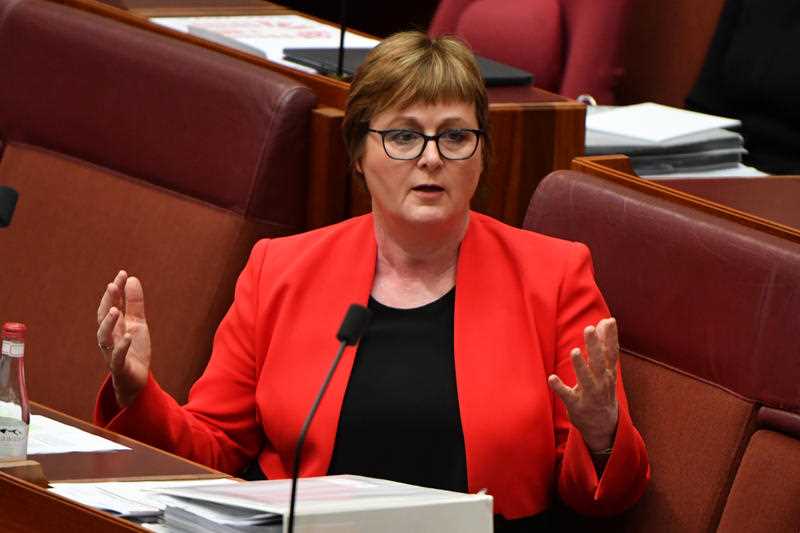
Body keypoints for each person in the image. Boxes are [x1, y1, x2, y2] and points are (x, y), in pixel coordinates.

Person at [94, 31, 649, 529]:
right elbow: (213, 452)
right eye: (404, 137)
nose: (431, 158)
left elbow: (600, 498)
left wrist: (600, 435)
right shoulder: (279, 270)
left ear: (482, 155)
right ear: (358, 153)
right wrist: (138, 391)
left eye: (455, 137)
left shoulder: (554, 277)